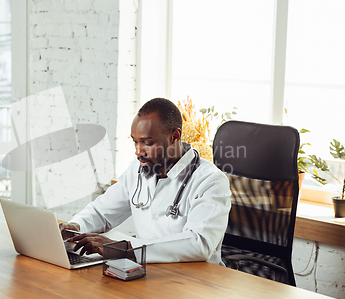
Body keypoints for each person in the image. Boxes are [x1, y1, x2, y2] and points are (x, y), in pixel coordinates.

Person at [60, 98, 231, 264]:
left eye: (147, 143)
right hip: (147, 272)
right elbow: (102, 212)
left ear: (175, 136)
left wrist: (124, 248)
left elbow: (198, 243)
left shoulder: (210, 181)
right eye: (135, 142)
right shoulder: (139, 169)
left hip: (196, 281)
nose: (138, 151)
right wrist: (76, 226)